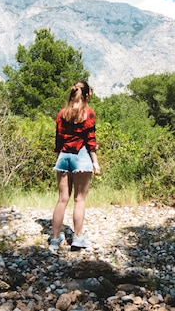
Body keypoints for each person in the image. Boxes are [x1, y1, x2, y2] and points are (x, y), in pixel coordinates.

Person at [49, 81, 101, 252]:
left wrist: (59, 157)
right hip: (81, 157)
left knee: (62, 199)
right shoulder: (89, 114)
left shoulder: (62, 114)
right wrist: (95, 162)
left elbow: (59, 140)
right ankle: (78, 238)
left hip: (63, 157)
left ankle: (55, 239)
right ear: (86, 96)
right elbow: (90, 141)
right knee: (79, 200)